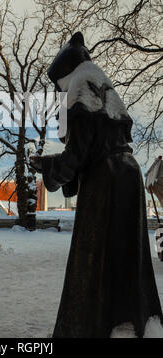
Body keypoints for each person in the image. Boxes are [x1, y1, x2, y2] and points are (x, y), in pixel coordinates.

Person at [30, 32, 163, 338]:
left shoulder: (78, 89)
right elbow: (95, 146)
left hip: (106, 181)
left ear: (65, 76)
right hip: (127, 172)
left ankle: (90, 326)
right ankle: (132, 323)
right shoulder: (103, 88)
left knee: (91, 260)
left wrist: (47, 165)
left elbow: (78, 155)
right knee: (130, 257)